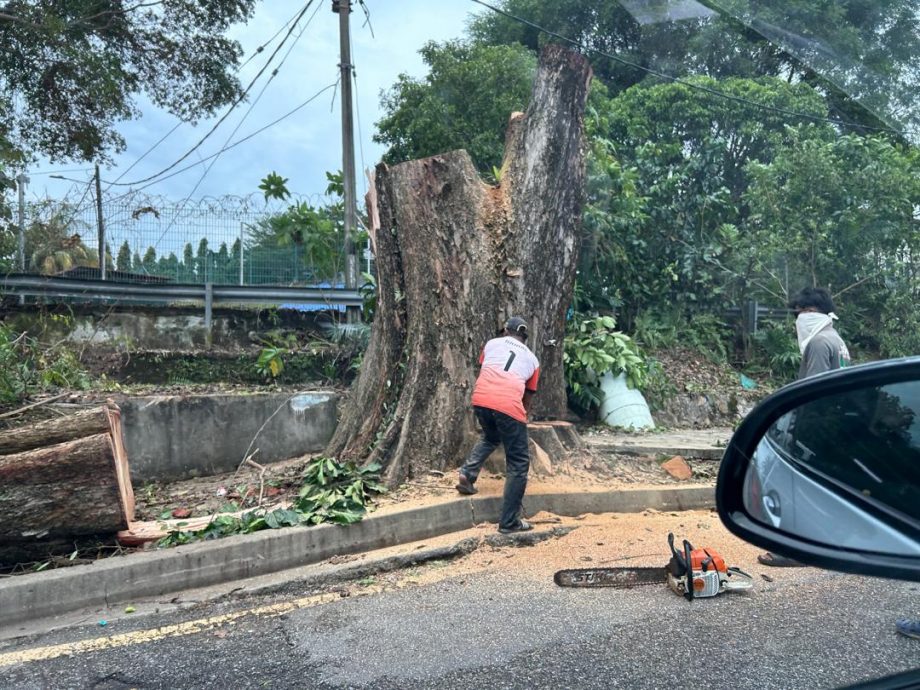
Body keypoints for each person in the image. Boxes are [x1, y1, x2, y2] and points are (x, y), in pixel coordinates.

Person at [758, 286, 851, 568]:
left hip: (818, 428)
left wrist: (797, 429)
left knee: (795, 486)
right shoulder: (836, 339)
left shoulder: (820, 342)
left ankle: (795, 551)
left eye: (806, 311)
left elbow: (814, 392)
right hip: (835, 426)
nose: (801, 317)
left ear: (819, 312)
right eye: (798, 313)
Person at [455, 316, 540, 534]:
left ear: (505, 331)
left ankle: (467, 473)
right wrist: (520, 417)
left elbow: (485, 366)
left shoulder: (492, 344)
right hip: (508, 405)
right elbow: (527, 397)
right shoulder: (532, 360)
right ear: (524, 338)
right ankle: (509, 522)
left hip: (481, 400)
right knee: (519, 464)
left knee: (491, 437)